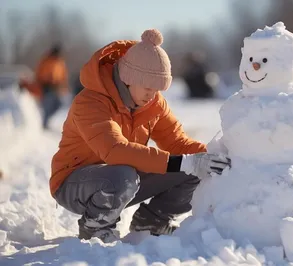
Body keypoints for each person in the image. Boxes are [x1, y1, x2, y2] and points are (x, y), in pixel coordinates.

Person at [49, 29, 231, 243]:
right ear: (128, 78)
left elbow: (177, 142)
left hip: (124, 179)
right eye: (147, 87)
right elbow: (115, 150)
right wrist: (185, 162)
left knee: (194, 169)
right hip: (74, 183)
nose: (152, 95)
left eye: (158, 89)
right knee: (126, 174)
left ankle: (152, 221)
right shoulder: (91, 102)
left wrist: (215, 157)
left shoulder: (153, 103)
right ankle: (96, 226)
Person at [35, 44, 69, 129]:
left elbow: (64, 75)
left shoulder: (60, 62)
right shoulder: (46, 60)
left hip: (57, 87)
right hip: (47, 86)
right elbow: (39, 73)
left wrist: (64, 86)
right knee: (47, 105)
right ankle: (44, 123)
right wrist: (41, 82)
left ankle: (46, 120)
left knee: (59, 104)